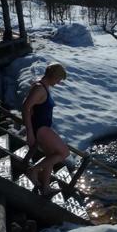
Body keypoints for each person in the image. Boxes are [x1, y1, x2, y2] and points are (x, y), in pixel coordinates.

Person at [23, 62, 68, 196]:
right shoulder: (40, 88)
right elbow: (26, 107)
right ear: (54, 76)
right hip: (40, 129)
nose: (59, 82)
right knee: (64, 153)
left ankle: (45, 187)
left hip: (43, 127)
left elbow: (30, 108)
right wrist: (30, 132)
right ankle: (34, 170)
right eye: (59, 79)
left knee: (51, 156)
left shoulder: (43, 86)